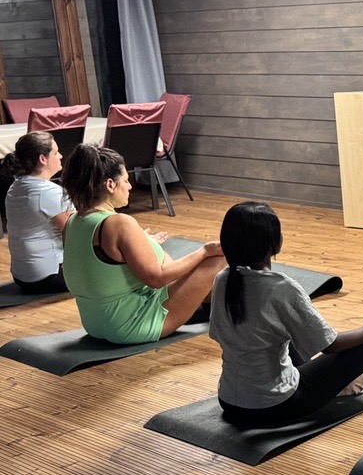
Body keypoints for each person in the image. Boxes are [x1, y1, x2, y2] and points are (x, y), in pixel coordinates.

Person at [210, 201, 363, 425]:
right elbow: (330, 345)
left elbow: (219, 334)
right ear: (275, 243)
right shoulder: (281, 288)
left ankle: (330, 381)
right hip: (275, 406)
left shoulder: (222, 280)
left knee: (283, 331)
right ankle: (335, 384)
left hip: (228, 400)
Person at [61, 143, 226, 344]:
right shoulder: (118, 224)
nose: (130, 186)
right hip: (131, 324)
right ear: (110, 185)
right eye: (126, 180)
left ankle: (217, 304)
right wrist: (204, 251)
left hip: (96, 323)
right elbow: (156, 278)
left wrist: (144, 241)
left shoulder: (71, 222)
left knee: (169, 259)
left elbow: (99, 263)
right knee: (219, 258)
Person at [3, 131, 75, 293]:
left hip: (22, 277)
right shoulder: (49, 191)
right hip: (48, 276)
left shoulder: (15, 187)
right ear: (43, 159)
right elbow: (75, 233)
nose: (61, 156)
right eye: (56, 153)